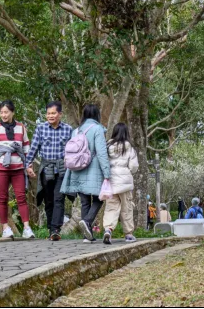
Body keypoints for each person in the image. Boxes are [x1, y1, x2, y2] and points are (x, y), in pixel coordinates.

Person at [0, 99, 35, 239]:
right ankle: (5, 228)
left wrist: (29, 166)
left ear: (12, 112)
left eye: (6, 112)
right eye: (1, 112)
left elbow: (26, 148)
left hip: (18, 168)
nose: (4, 115)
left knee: (21, 197)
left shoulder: (21, 127)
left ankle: (26, 228)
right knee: (3, 198)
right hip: (1, 168)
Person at [25, 100, 74, 241]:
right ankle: (50, 228)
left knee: (59, 198)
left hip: (62, 169)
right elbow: (33, 148)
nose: (50, 116)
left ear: (60, 114)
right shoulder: (41, 128)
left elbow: (73, 150)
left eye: (53, 113)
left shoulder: (68, 129)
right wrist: (28, 165)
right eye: (48, 113)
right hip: (46, 168)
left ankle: (55, 229)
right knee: (49, 200)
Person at [60, 103, 110, 242]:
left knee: (84, 202)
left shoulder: (76, 131)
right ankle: (87, 221)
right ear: (97, 115)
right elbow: (101, 152)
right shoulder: (97, 129)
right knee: (100, 198)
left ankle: (86, 236)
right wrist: (107, 172)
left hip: (77, 169)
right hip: (93, 169)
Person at [102, 122, 140, 244]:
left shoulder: (107, 147)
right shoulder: (129, 147)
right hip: (125, 183)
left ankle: (108, 229)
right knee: (127, 208)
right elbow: (134, 166)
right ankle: (128, 234)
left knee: (111, 208)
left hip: (111, 182)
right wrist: (128, 172)